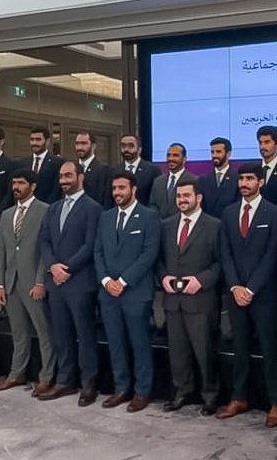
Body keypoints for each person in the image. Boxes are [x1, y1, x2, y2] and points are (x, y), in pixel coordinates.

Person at [217, 163, 277, 428]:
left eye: (249, 179)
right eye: (241, 178)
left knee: (269, 349)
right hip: (236, 295)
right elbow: (225, 253)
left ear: (261, 182)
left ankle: (275, 402)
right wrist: (235, 287)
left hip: (263, 295)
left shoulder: (275, 212)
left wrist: (251, 288)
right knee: (239, 348)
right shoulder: (229, 212)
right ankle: (238, 397)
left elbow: (271, 255)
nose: (244, 183)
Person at [94, 170, 160, 413]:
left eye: (122, 188)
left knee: (139, 343)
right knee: (115, 343)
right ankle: (121, 388)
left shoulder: (149, 217)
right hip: (108, 293)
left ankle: (142, 391)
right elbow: (97, 252)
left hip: (135, 292)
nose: (117, 193)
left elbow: (149, 254)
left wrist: (122, 281)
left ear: (134, 190)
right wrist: (105, 280)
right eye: (114, 189)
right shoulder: (105, 217)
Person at [38, 161, 103, 403]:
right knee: (61, 335)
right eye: (61, 176)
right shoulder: (53, 208)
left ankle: (89, 383)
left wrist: (67, 268)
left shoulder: (92, 208)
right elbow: (43, 241)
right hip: (56, 282)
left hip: (80, 282)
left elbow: (91, 244)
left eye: (68, 175)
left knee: (85, 335)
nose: (64, 180)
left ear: (80, 177)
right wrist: (52, 266)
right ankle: (65, 381)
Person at [158, 180, 222, 416]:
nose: (182, 200)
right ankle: (182, 391)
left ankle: (210, 395)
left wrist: (202, 281)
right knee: (177, 351)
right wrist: (163, 277)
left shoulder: (214, 226)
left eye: (186, 195)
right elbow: (159, 260)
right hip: (173, 301)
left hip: (201, 300)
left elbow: (221, 262)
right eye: (179, 196)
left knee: (204, 352)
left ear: (199, 197)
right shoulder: (166, 225)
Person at [0, 170, 55, 396]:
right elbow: (1, 250)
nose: (16, 187)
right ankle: (16, 373)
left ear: (33, 186)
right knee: (18, 332)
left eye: (21, 183)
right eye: (14, 183)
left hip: (33, 282)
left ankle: (46, 377)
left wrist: (40, 282)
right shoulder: (7, 214)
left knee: (44, 332)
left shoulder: (45, 210)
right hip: (11, 282)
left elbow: (45, 249)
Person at [149, 143, 197, 219]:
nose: (171, 158)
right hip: (159, 226)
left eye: (175, 155)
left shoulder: (194, 180)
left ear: (184, 159)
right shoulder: (158, 181)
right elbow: (152, 204)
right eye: (168, 155)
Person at [17, 127, 64, 204]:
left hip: (48, 208)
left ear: (47, 142)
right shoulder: (22, 163)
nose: (34, 143)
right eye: (32, 140)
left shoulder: (58, 163)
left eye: (38, 140)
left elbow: (57, 190)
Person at [113, 134, 161, 207]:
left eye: (131, 146)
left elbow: (156, 198)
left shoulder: (152, 170)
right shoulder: (115, 170)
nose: (126, 149)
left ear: (139, 149)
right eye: (123, 146)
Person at [198, 137, 240, 218]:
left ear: (228, 154)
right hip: (209, 226)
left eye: (218, 152)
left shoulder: (237, 178)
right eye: (212, 152)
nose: (214, 155)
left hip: (230, 224)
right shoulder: (203, 179)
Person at [74, 131, 112, 209]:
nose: (79, 147)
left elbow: (105, 201)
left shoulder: (103, 170)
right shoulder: (72, 169)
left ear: (93, 146)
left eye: (84, 143)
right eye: (77, 144)